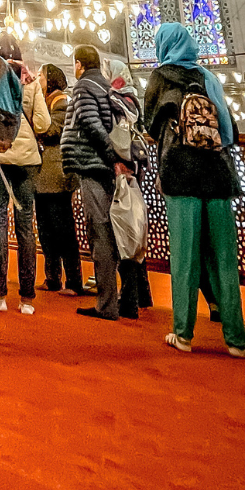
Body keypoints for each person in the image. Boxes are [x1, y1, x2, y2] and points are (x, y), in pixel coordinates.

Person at [144, 23, 245, 357]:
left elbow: (150, 127)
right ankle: (236, 340)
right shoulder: (209, 77)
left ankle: (183, 333)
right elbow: (229, 131)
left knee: (185, 257)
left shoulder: (160, 77)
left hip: (181, 173)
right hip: (218, 175)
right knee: (224, 259)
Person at [60, 44, 130, 321]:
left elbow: (90, 122)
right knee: (117, 232)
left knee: (99, 232)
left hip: (93, 164)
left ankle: (106, 304)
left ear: (79, 64)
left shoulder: (83, 87)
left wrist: (110, 155)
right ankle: (128, 300)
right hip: (109, 166)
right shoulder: (108, 87)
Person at [0, 56, 42, 315]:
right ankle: (27, 298)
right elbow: (43, 122)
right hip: (26, 161)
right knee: (25, 227)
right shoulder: (31, 85)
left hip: (0, 158)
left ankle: (0, 294)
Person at [32, 64, 84, 296]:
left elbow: (51, 130)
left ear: (51, 79)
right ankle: (52, 277)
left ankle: (73, 280)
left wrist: (33, 120)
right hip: (43, 176)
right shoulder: (46, 101)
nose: (38, 78)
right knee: (45, 229)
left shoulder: (61, 102)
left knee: (63, 229)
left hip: (57, 175)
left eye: (41, 75)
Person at [107, 57, 153, 318]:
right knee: (134, 232)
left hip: (121, 170)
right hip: (136, 170)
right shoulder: (132, 98)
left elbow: (115, 136)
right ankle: (142, 294)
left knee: (124, 234)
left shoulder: (115, 100)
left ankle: (129, 301)